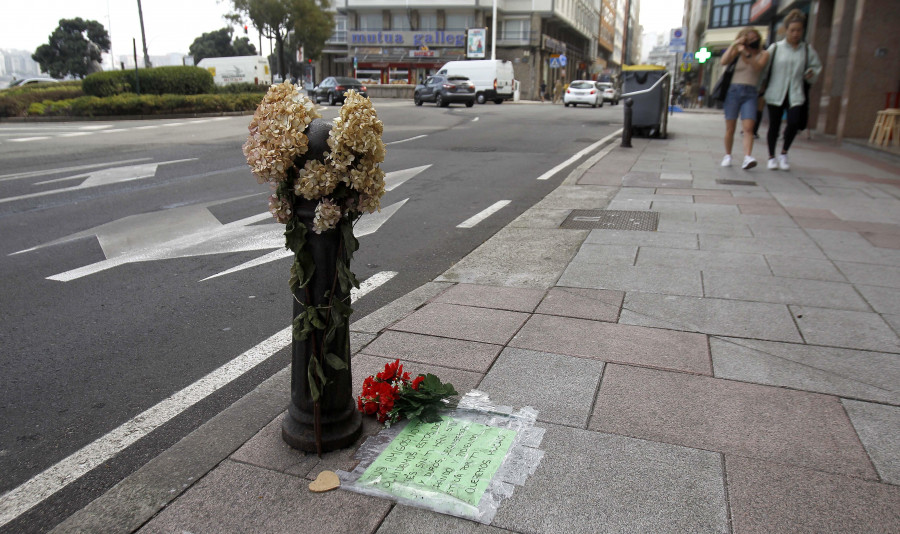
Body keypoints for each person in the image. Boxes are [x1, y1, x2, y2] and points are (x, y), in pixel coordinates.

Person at [762, 9, 823, 171]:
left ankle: (784, 153)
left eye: (799, 30)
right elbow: (763, 69)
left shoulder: (807, 50)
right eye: (792, 30)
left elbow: (816, 67)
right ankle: (771, 157)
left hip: (796, 93)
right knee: (774, 125)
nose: (796, 34)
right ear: (786, 30)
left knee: (794, 122)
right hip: (776, 92)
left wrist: (810, 74)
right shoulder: (775, 48)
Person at [720, 27, 770, 170]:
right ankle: (728, 155)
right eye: (748, 38)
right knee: (730, 128)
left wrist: (746, 53)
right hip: (733, 91)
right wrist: (735, 44)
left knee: (749, 127)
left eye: (755, 38)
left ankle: (747, 157)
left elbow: (757, 67)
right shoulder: (737, 51)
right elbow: (723, 61)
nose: (752, 41)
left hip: (751, 92)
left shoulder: (764, 54)